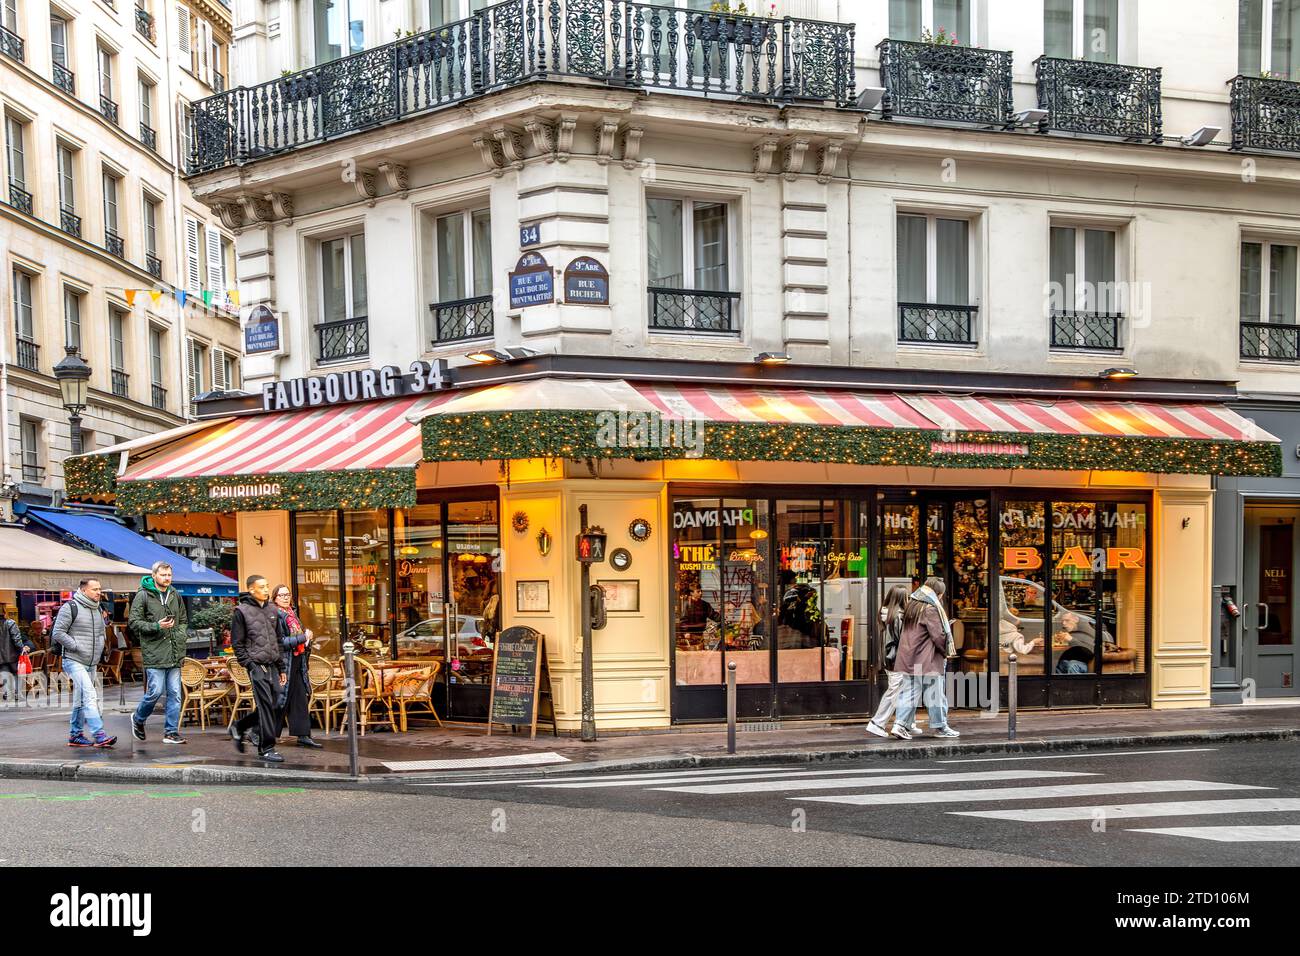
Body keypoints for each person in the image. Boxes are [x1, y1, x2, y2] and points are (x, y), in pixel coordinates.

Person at [891, 576, 959, 740]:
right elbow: (938, 636)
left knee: (909, 692)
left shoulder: (913, 605)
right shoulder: (930, 608)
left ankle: (900, 725)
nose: (941, 597)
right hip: (925, 658)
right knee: (935, 694)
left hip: (910, 656)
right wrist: (946, 650)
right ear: (936, 593)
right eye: (941, 594)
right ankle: (941, 727)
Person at [129, 561, 189, 744]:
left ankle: (171, 732)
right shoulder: (143, 596)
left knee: (175, 694)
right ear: (154, 575)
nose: (167, 578)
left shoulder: (175, 594)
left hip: (174, 651)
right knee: (155, 692)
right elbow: (133, 623)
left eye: (169, 575)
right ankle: (138, 718)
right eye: (163, 575)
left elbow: (184, 619)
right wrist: (156, 626)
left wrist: (180, 634)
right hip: (154, 652)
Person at [51, 579, 117, 748]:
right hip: (73, 660)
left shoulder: (98, 609)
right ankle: (99, 735)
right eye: (94, 589)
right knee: (89, 695)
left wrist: (101, 646)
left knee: (81, 699)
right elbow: (58, 633)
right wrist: (75, 646)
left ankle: (75, 735)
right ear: (83, 590)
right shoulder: (70, 607)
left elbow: (102, 632)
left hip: (91, 661)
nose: (99, 592)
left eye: (100, 589)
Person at [229, 575, 285, 763]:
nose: (266, 589)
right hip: (256, 665)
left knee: (277, 704)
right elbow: (237, 644)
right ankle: (266, 748)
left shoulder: (272, 610)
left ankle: (239, 726)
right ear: (252, 590)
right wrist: (251, 665)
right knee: (266, 706)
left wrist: (281, 667)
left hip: (273, 665)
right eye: (262, 587)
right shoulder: (241, 611)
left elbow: (278, 640)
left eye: (267, 586)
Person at [865, 584, 922, 738]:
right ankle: (877, 723)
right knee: (895, 691)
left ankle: (908, 723)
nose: (909, 599)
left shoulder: (889, 614)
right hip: (896, 659)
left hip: (890, 658)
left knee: (903, 690)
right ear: (901, 598)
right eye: (907, 597)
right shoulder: (897, 617)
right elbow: (902, 641)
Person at [271, 585, 322, 749]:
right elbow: (280, 642)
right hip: (284, 663)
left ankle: (303, 734)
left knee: (299, 697)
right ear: (275, 598)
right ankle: (259, 732)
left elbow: (298, 638)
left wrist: (306, 639)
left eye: (287, 594)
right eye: (281, 595)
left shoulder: (292, 614)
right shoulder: (276, 616)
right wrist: (302, 638)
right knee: (281, 699)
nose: (285, 597)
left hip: (297, 661)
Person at [1, 613, 34, 701]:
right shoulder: (10, 623)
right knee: (17, 673)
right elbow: (16, 639)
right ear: (4, 613)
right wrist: (21, 649)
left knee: (4, 673)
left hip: (1, 657)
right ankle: (17, 694)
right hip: (12, 654)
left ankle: (8, 694)